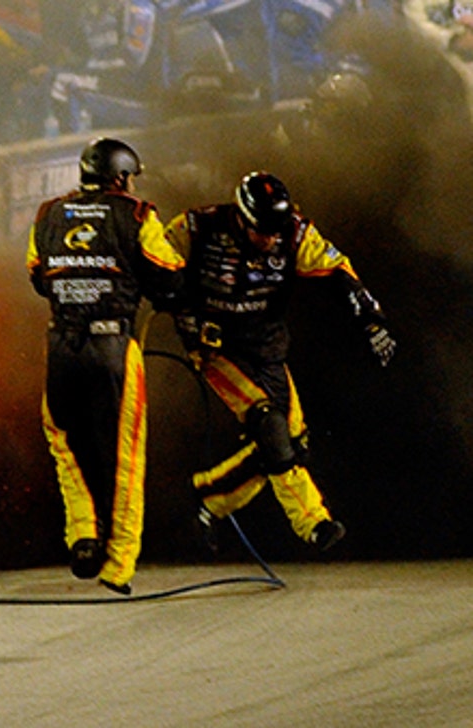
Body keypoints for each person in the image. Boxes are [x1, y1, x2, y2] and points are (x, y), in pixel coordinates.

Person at [165, 171, 397, 554]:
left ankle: (209, 498)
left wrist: (372, 321)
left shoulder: (295, 234)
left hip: (267, 346)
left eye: (277, 230)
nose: (270, 240)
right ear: (241, 216)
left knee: (291, 444)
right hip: (217, 350)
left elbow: (339, 272)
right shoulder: (198, 225)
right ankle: (314, 523)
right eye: (262, 231)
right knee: (269, 424)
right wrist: (180, 307)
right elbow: (156, 263)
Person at [26, 138, 185, 595]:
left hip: (61, 346)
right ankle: (118, 565)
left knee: (62, 440)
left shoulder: (48, 214)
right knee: (125, 457)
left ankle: (82, 536)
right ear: (121, 177)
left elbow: (37, 275)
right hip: (113, 346)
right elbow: (169, 273)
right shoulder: (136, 214)